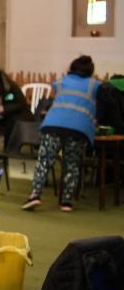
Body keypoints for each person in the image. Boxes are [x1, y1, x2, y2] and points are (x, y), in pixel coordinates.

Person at [23, 55, 109, 212]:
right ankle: (66, 202)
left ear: (72, 68)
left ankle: (35, 195)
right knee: (72, 165)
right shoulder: (95, 85)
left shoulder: (60, 82)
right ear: (90, 71)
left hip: (53, 125)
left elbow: (50, 101)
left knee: (44, 161)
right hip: (78, 129)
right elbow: (106, 106)